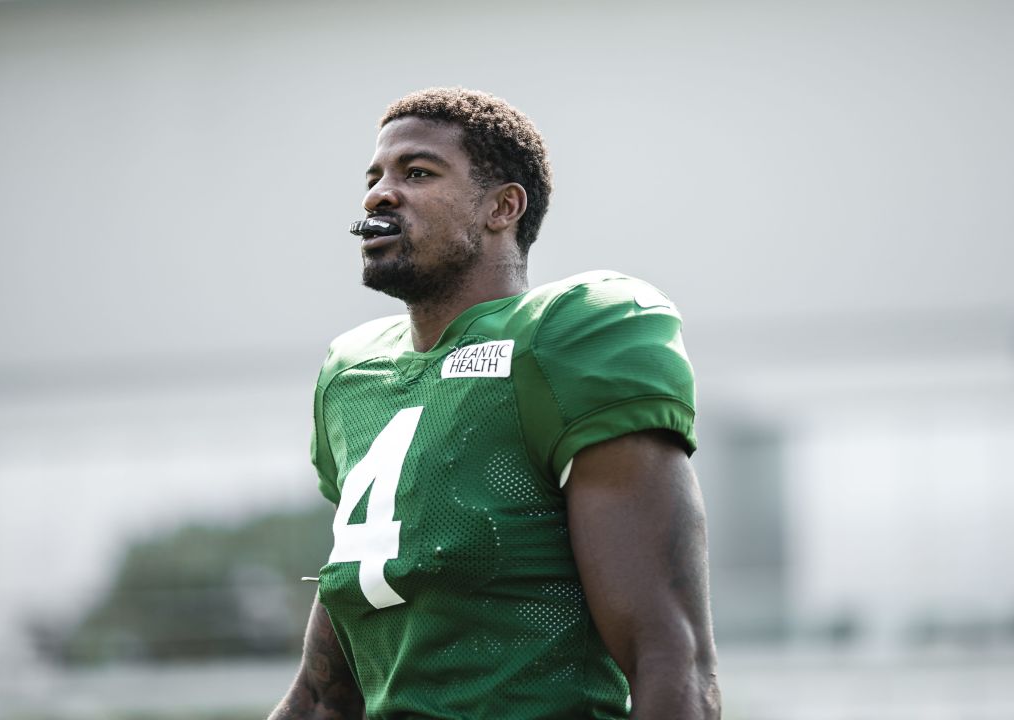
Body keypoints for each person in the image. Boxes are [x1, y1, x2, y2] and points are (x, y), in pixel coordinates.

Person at [268, 87, 720, 719]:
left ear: (502, 206)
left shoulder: (564, 336)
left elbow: (671, 659)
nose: (378, 195)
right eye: (374, 178)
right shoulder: (353, 374)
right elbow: (324, 697)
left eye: (418, 173)